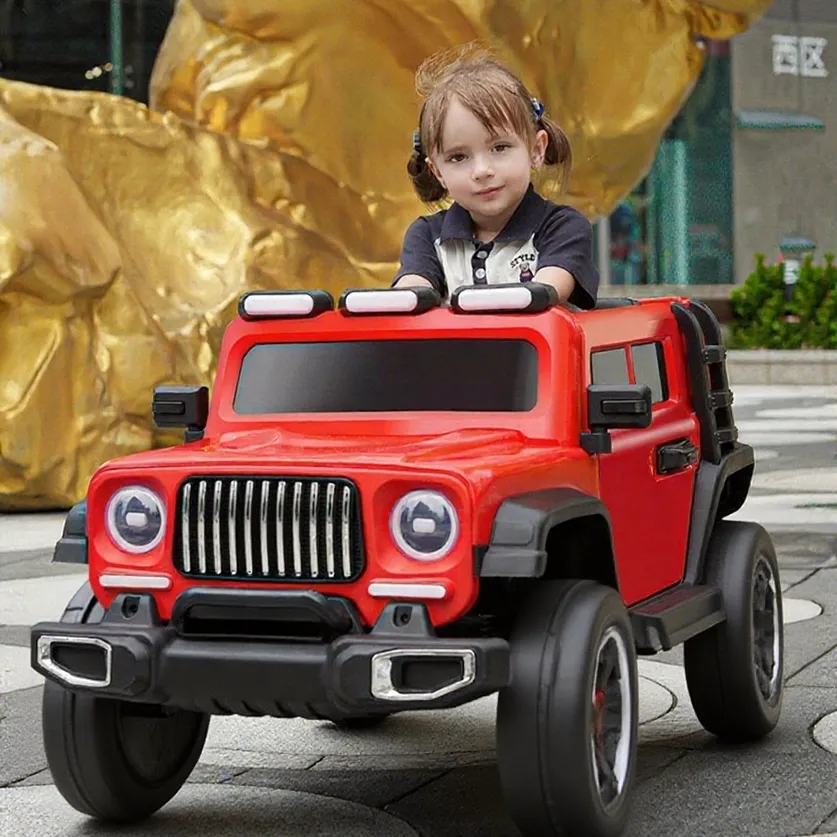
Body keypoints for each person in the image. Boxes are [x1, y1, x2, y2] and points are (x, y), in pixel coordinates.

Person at [392, 44, 599, 310]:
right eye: (458, 157)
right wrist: (408, 296)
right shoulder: (427, 235)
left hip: (539, 353)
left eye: (499, 148)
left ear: (536, 150)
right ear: (437, 172)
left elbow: (545, 293)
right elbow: (411, 291)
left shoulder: (562, 228)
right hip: (451, 354)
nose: (481, 171)